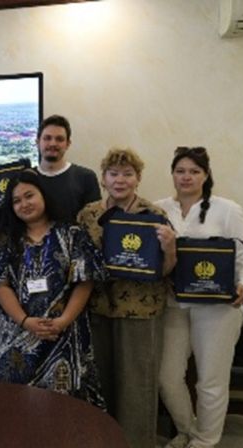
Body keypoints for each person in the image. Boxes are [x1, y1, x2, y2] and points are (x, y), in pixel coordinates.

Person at [157, 146, 243, 448]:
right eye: (180, 171)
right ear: (172, 174)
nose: (186, 177)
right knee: (167, 377)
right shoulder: (159, 209)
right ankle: (188, 430)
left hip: (218, 307)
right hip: (174, 304)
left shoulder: (227, 209)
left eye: (194, 171)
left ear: (206, 175)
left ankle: (205, 441)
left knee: (211, 380)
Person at [77, 148, 177, 447]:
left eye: (127, 174)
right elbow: (77, 261)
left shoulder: (154, 215)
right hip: (98, 307)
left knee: (137, 384)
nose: (120, 180)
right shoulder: (88, 214)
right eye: (113, 174)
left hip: (140, 311)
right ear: (103, 178)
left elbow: (166, 270)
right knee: (101, 380)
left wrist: (170, 248)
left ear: (138, 178)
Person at [0, 169, 105, 408]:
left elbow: (85, 282)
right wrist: (25, 321)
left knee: (66, 408)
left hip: (64, 336)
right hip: (18, 336)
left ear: (44, 195)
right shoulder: (4, 241)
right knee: (15, 407)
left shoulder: (72, 234)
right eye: (16, 201)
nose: (24, 204)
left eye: (29, 196)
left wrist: (63, 321)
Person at [35, 115, 101, 222]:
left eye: (59, 139)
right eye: (47, 138)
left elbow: (93, 223)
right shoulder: (26, 179)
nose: (53, 143)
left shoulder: (86, 178)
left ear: (68, 144)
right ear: (37, 142)